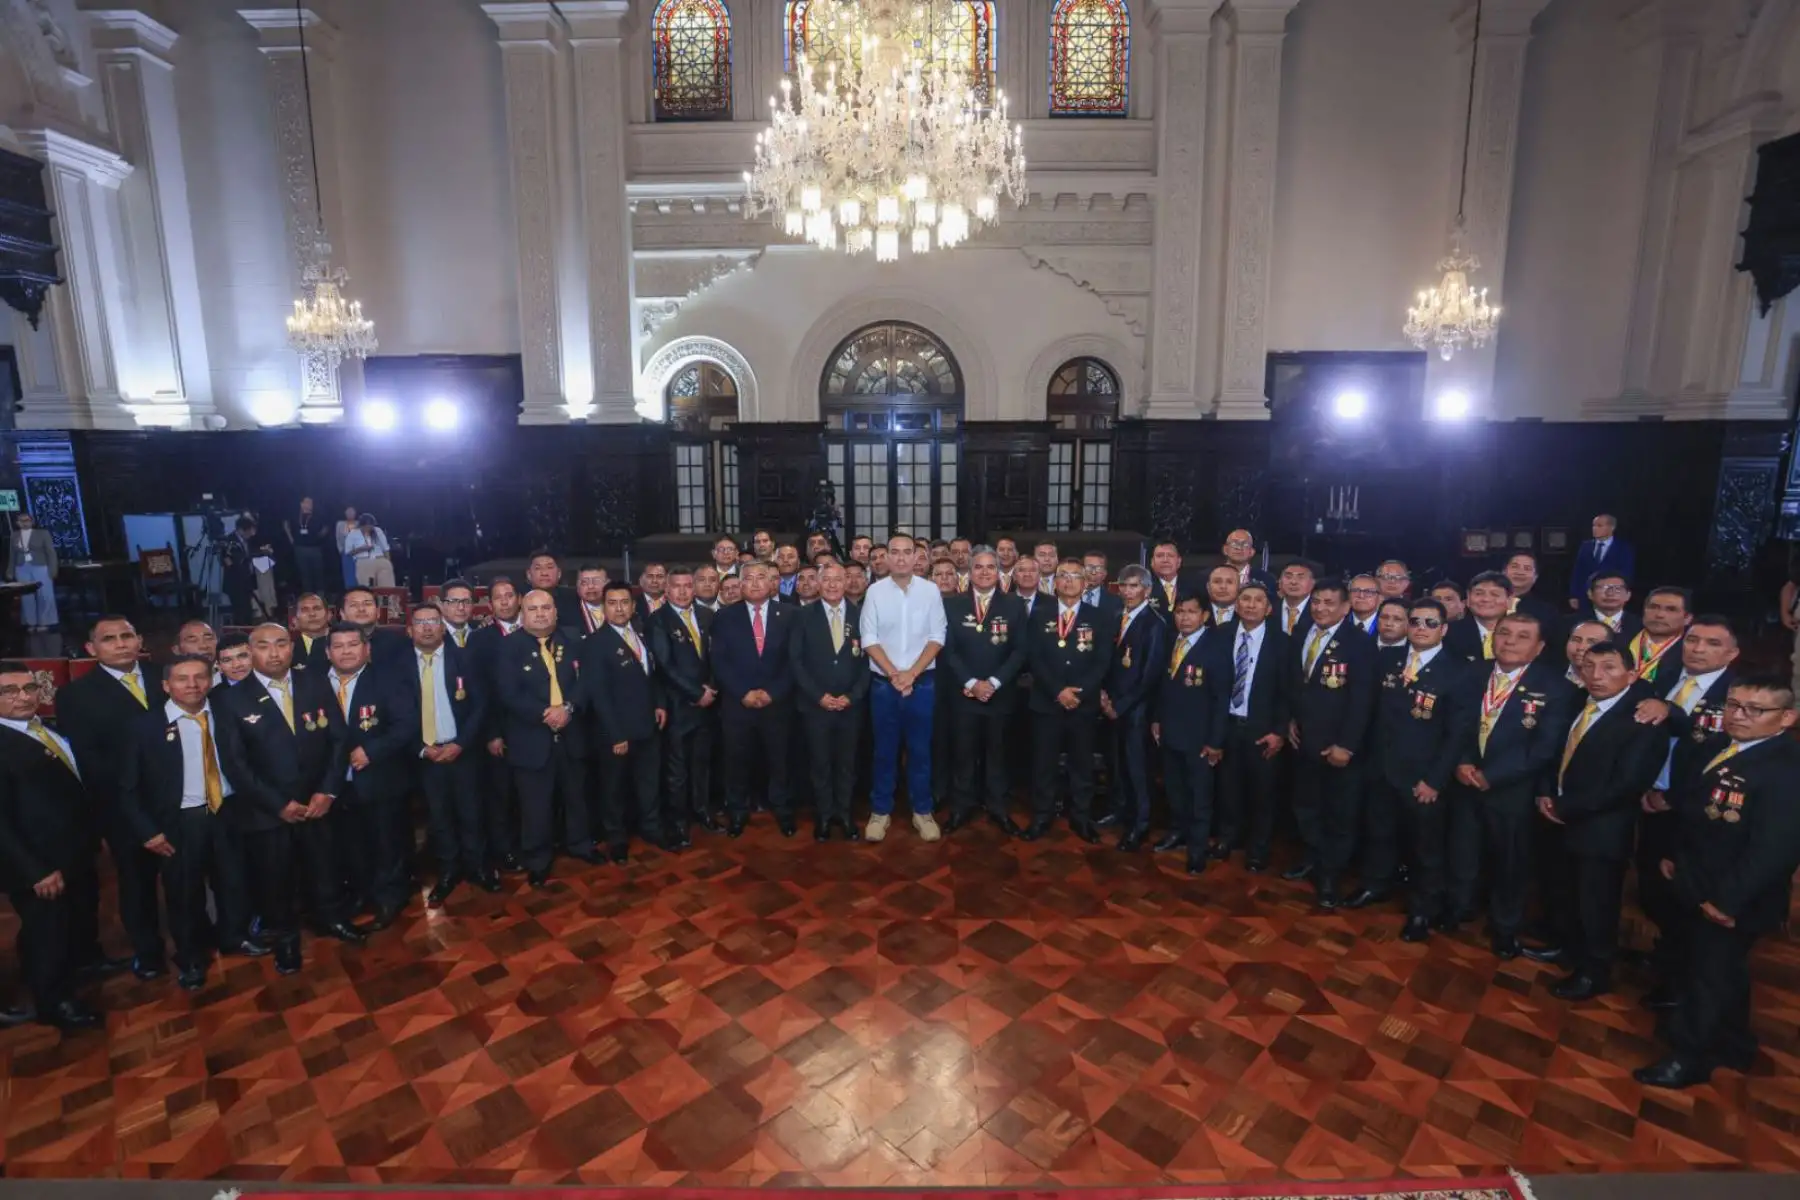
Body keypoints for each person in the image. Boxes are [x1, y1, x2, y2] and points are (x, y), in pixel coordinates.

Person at [1634, 677, 1800, 1090]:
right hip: (1699, 880)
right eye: (1733, 705)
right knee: (1722, 970)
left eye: (1754, 710)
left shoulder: (1784, 769)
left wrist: (1727, 901)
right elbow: (1696, 814)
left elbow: (1775, 849)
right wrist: (1675, 855)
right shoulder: (1721, 747)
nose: (1739, 715)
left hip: (1732, 897)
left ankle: (1688, 1058)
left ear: (1787, 718)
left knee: (1705, 977)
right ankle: (1734, 1043)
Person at [213, 623, 359, 975]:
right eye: (264, 646)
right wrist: (277, 804)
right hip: (269, 811)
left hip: (319, 801)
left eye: (281, 644)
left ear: (292, 648)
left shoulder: (313, 681)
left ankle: (332, 919)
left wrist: (328, 790)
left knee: (325, 867)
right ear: (251, 653)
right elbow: (236, 764)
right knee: (276, 882)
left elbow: (339, 739)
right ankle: (287, 942)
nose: (274, 653)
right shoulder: (230, 699)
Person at [1527, 642, 1665, 1000]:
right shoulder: (1578, 703)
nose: (1597, 675)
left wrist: (1565, 807)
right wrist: (1546, 793)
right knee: (1566, 893)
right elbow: (1554, 754)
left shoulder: (1641, 719)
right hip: (1560, 817)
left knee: (1597, 904)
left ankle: (1595, 972)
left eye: (1608, 667)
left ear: (1631, 675)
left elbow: (1626, 783)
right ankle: (1566, 948)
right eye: (1589, 667)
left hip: (1601, 828)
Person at [118, 653, 255, 991]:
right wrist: (147, 831)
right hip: (180, 821)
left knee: (233, 882)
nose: (192, 685)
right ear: (166, 685)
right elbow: (127, 789)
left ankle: (233, 937)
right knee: (184, 893)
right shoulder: (144, 728)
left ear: (211, 680)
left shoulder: (225, 714)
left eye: (199, 677)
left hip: (226, 812)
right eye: (182, 679)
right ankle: (191, 957)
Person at [1448, 612, 1573, 956]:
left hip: (1513, 791)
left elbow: (1544, 747)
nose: (1510, 642)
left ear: (1539, 647)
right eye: (1504, 633)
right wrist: (1462, 760)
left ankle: (1505, 927)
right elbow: (1455, 723)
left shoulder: (1556, 687)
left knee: (1511, 862)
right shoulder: (1472, 673)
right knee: (1463, 853)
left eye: (1522, 636)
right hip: (1465, 780)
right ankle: (1460, 908)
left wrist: (1494, 775)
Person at [1630, 615, 1739, 1005]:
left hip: (1692, 811)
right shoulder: (1668, 678)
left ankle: (1683, 983)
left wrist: (1672, 797)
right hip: (1650, 797)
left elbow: (1726, 763)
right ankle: (1667, 956)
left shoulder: (1735, 697)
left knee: (1682, 892)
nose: (1698, 649)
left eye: (1712, 644)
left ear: (1732, 653)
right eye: (1693, 641)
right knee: (1652, 887)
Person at [1354, 598, 1471, 938]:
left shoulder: (1457, 671)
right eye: (1416, 621)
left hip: (1423, 778)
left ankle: (1423, 910)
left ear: (1444, 629)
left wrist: (1435, 780)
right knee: (1379, 835)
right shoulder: (1388, 659)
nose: (1421, 628)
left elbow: (1457, 734)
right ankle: (1376, 885)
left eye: (1430, 623)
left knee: (1426, 849)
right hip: (1381, 770)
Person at [55, 616, 164, 978]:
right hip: (124, 808)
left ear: (140, 640)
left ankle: (196, 936)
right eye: (109, 639)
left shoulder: (165, 676)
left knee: (187, 873)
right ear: (91, 649)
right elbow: (90, 761)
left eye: (127, 635)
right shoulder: (76, 695)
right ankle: (148, 952)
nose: (120, 644)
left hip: (181, 798)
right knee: (137, 883)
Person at [0, 660, 104, 1029]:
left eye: (29, 688)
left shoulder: (46, 729)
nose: (22, 697)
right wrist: (35, 870)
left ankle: (69, 980)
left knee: (66, 927)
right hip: (38, 864)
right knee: (48, 934)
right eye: (9, 691)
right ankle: (55, 1004)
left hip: (72, 853)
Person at [1285, 580, 1375, 908]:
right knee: (1306, 806)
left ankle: (1330, 876)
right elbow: (1296, 685)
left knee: (1339, 815)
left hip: (1338, 747)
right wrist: (1291, 720)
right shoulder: (1302, 633)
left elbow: (1362, 699)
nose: (1321, 608)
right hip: (1304, 740)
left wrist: (1347, 745)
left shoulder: (1359, 643)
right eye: (1316, 602)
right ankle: (1312, 857)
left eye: (1329, 603)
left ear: (1346, 607)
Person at [500, 589, 596, 886]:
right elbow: (508, 693)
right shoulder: (508, 648)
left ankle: (580, 844)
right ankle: (538, 859)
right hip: (531, 739)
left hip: (572, 733)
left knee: (576, 796)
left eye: (546, 608)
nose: (540, 613)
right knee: (535, 804)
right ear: (522, 613)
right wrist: (546, 713)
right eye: (533, 609)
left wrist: (568, 708)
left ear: (556, 611)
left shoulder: (573, 640)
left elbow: (588, 681)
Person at [859, 534, 948, 843]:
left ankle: (922, 811)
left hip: (922, 684)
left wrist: (911, 674)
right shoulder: (874, 592)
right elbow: (869, 638)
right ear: (885, 558)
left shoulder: (931, 590)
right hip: (885, 684)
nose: (899, 558)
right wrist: (896, 674)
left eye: (906, 552)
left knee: (921, 751)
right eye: (893, 552)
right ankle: (880, 811)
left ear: (916, 557)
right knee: (884, 751)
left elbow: (937, 636)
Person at [406, 601, 493, 905]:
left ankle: (478, 868)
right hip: (425, 756)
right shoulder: (399, 666)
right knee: (439, 818)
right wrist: (421, 747)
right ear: (410, 629)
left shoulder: (464, 658)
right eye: (421, 622)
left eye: (433, 621)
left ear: (443, 627)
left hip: (462, 751)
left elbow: (481, 705)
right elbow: (397, 713)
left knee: (472, 813)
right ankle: (448, 871)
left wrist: (461, 744)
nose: (428, 627)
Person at [940, 549, 1027, 837]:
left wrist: (993, 682)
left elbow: (1020, 650)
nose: (985, 572)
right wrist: (970, 683)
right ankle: (961, 807)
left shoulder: (1014, 604)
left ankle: (998, 808)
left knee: (998, 754)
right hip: (964, 695)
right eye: (979, 567)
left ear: (1000, 570)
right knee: (963, 754)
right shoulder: (952, 604)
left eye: (991, 567)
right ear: (970, 571)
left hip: (999, 694)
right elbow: (948, 651)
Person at [1026, 557, 1113, 842]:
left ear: (1085, 582)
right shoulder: (1039, 613)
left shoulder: (1099, 616)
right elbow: (1033, 657)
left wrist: (1080, 692)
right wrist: (1057, 691)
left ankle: (1081, 818)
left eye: (1075, 576)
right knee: (1043, 764)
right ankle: (1042, 816)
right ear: (1054, 582)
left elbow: (1102, 662)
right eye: (1063, 575)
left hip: (1082, 706)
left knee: (1081, 765)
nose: (1069, 580)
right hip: (1046, 703)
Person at [581, 581, 668, 861]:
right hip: (617, 733)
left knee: (648, 783)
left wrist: (659, 704)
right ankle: (617, 839)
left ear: (633, 606)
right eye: (612, 603)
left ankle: (651, 828)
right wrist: (616, 735)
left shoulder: (642, 632)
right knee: (614, 789)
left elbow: (652, 676)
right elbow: (599, 694)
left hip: (647, 725)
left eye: (624, 603)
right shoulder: (596, 643)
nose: (619, 609)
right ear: (604, 608)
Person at [711, 562, 799, 836]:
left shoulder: (790, 615)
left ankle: (783, 809)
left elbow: (794, 661)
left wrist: (773, 692)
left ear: (772, 583)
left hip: (778, 704)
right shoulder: (725, 617)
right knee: (736, 761)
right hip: (738, 705)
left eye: (762, 577)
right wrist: (743, 693)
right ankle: (737, 811)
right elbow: (719, 662)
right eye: (749, 578)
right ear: (740, 584)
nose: (756, 582)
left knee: (780, 760)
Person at [790, 561, 870, 841]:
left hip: (851, 706)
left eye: (840, 579)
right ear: (818, 584)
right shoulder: (802, 616)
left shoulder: (862, 615)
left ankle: (844, 814)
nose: (834, 585)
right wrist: (819, 696)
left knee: (847, 763)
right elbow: (796, 662)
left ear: (847, 582)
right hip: (816, 706)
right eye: (828, 580)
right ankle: (824, 815)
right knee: (820, 763)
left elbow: (868, 663)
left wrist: (852, 696)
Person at [1212, 583, 1288, 871]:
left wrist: (1279, 731)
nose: (1251, 605)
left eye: (1259, 600)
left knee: (1263, 794)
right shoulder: (1220, 636)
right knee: (1228, 789)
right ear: (1237, 604)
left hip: (1262, 731)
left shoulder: (1282, 643)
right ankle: (1228, 838)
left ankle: (1258, 849)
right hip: (1227, 725)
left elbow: (1287, 692)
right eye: (1245, 599)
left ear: (1269, 608)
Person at [1152, 595, 1227, 873]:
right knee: (1175, 790)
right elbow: (1164, 686)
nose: (1184, 617)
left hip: (1200, 738)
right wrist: (1158, 719)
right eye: (1180, 612)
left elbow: (1221, 699)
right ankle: (1177, 832)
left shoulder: (1216, 647)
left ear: (1205, 616)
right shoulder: (1173, 640)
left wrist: (1215, 742)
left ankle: (1197, 850)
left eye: (1191, 612)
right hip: (1170, 732)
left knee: (1199, 797)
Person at [1100, 566, 1166, 850]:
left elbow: (1149, 676)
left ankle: (1140, 824)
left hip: (1137, 710)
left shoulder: (1155, 624)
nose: (1128, 591)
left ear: (1147, 590)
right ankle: (1120, 809)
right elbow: (1107, 661)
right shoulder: (1118, 617)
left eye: (1134, 586)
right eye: (1124, 586)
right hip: (1111, 706)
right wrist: (1104, 697)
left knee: (1137, 768)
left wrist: (1121, 706)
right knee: (1117, 764)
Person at [650, 565, 718, 839]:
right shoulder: (658, 620)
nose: (682, 591)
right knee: (677, 769)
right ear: (667, 590)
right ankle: (678, 822)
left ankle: (702, 810)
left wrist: (711, 689)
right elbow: (665, 666)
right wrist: (695, 693)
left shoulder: (706, 615)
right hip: (678, 705)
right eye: (676, 586)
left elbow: (717, 656)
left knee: (702, 764)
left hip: (708, 704)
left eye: (687, 586)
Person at [467, 577, 523, 874]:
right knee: (500, 794)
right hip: (498, 729)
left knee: (527, 792)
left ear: (518, 598)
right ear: (490, 604)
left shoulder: (534, 629)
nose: (504, 601)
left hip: (531, 727)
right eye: (498, 597)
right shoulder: (480, 639)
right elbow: (478, 692)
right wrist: (491, 733)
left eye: (509, 595)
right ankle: (505, 849)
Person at [1627, 587, 1693, 685]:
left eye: (1671, 609)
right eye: (1653, 607)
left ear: (1687, 618)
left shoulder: (1690, 653)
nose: (1660, 615)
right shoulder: (1620, 640)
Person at [1568, 514, 1635, 608]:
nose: (1594, 529)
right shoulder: (1585, 546)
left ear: (1612, 527)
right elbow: (1578, 572)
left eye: (1599, 526)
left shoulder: (1623, 548)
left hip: (1611, 597)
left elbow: (1626, 574)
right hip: (1586, 598)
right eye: (1593, 525)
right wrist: (1574, 595)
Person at [7, 513, 59, 631]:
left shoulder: (42, 533)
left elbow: (51, 552)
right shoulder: (14, 535)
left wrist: (53, 569)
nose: (25, 522)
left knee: (44, 594)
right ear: (17, 523)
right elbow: (12, 554)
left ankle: (45, 622)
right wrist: (10, 570)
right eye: (22, 520)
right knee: (26, 596)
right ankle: (30, 622)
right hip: (21, 567)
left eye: (27, 520)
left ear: (32, 521)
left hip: (40, 566)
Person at [1446, 571, 1511, 662]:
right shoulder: (1446, 633)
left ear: (1509, 601)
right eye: (1479, 593)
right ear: (1468, 598)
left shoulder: (1523, 634)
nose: (1486, 599)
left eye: (1495, 594)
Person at [285, 496, 331, 598]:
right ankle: (308, 597)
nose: (309, 505)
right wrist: (291, 539)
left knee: (318, 573)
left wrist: (320, 536)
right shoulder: (295, 515)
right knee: (304, 574)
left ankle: (321, 597)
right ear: (301, 504)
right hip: (300, 548)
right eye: (307, 502)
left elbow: (326, 527)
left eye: (311, 503)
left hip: (315, 548)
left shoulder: (318, 515)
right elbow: (286, 525)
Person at [1576, 569, 1641, 640]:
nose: (1610, 593)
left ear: (1628, 595)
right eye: (1602, 588)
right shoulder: (1571, 624)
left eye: (1617, 589)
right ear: (1590, 594)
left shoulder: (1641, 626)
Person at [1502, 552, 1559, 627]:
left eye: (1527, 568)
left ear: (1535, 577)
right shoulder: (1486, 603)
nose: (1520, 572)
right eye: (1514, 567)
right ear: (1503, 572)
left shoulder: (1546, 612)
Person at [343, 514, 396, 589]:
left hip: (380, 560)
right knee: (368, 588)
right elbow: (348, 552)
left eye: (371, 526)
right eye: (367, 526)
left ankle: (386, 601)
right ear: (361, 525)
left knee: (387, 589)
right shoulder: (353, 534)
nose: (369, 528)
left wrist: (389, 562)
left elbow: (385, 549)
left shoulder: (378, 531)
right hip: (364, 562)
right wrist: (361, 549)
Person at [293, 592, 333, 671]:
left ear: (329, 615)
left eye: (317, 608)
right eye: (304, 610)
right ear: (295, 620)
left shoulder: (348, 643)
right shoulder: (289, 651)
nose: (312, 614)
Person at [334, 505, 360, 591]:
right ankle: (349, 590)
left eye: (352, 512)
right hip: (346, 553)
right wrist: (341, 550)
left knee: (358, 573)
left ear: (355, 513)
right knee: (348, 574)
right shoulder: (340, 524)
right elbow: (338, 538)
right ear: (345, 513)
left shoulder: (359, 524)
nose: (350, 514)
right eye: (348, 512)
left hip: (358, 553)